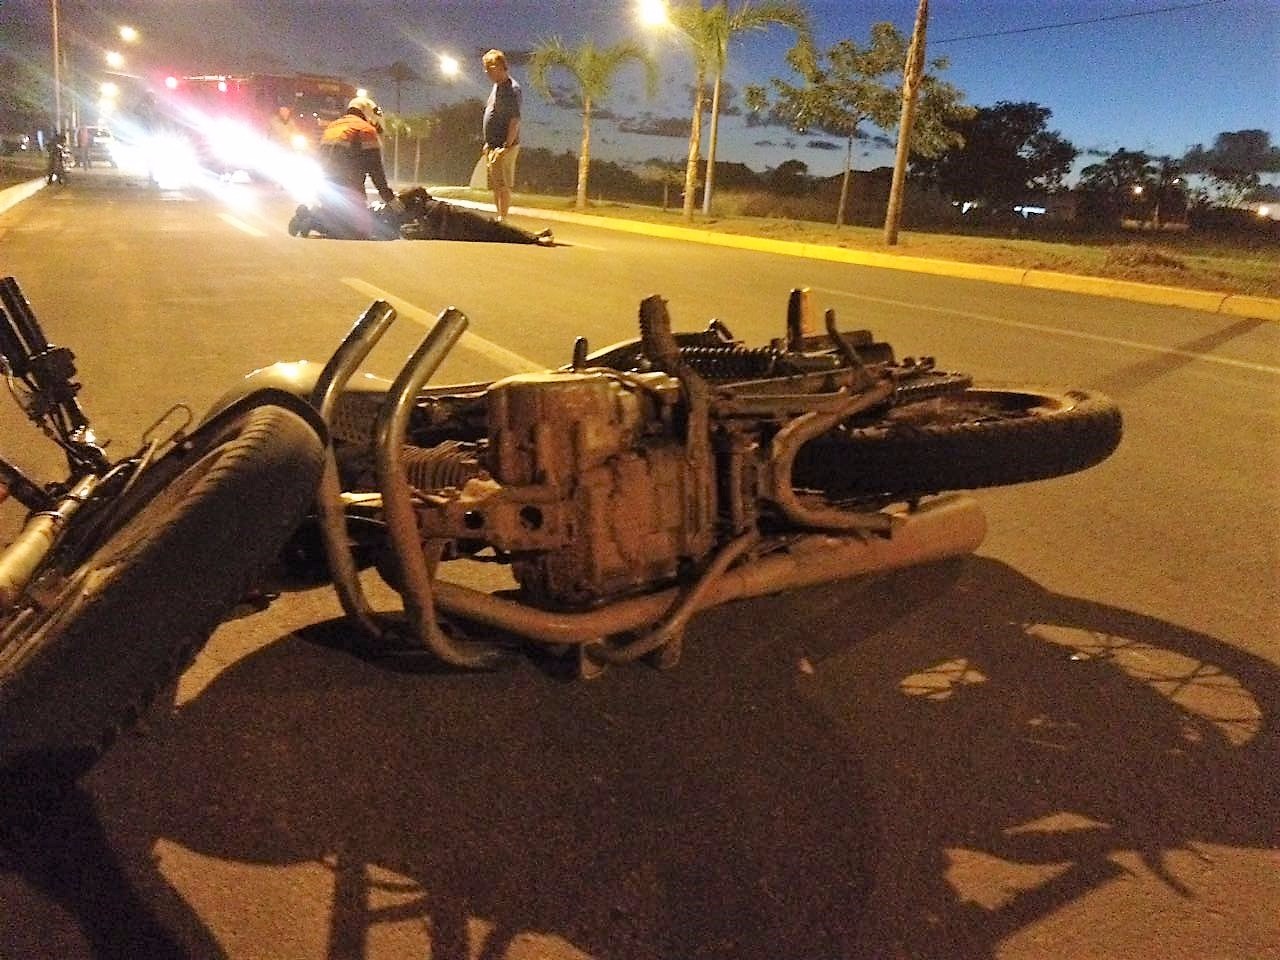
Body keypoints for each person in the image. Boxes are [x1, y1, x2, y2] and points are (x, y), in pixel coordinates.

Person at [294, 95, 397, 240]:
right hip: (349, 190)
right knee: (362, 231)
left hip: (324, 188)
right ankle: (314, 221)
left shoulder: (333, 126)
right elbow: (375, 169)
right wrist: (389, 197)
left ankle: (311, 215)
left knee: (339, 221)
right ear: (367, 112)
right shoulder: (365, 130)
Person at [480, 49, 521, 222]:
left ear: (501, 66)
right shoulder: (497, 87)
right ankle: (499, 216)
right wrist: (488, 143)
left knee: (503, 184)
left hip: (504, 146)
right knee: (496, 184)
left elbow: (514, 120)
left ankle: (503, 218)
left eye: (490, 68)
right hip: (492, 145)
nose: (488, 72)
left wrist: (506, 145)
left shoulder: (512, 89)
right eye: (486, 69)